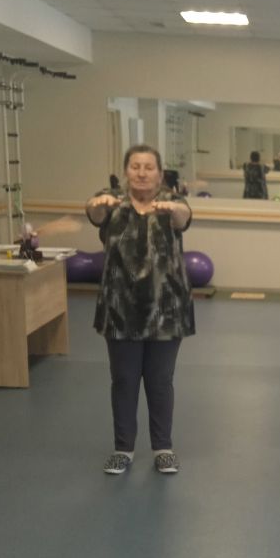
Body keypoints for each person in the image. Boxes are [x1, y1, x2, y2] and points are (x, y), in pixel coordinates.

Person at [86, 144, 194, 476]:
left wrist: (173, 209)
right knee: (124, 380)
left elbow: (183, 217)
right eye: (135, 166)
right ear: (126, 171)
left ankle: (163, 448)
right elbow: (94, 213)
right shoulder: (112, 201)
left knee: (160, 381)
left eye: (149, 167)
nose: (142, 173)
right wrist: (96, 205)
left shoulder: (172, 202)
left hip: (166, 308)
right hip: (121, 308)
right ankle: (123, 449)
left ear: (159, 174)